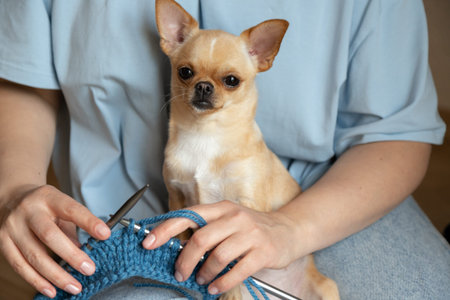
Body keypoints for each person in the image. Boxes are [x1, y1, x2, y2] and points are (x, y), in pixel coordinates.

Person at [0, 0, 448, 299]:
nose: (204, 88)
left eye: (228, 79)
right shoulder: (177, 156)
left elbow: (398, 127)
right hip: (124, 214)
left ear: (261, 57)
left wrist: (289, 228)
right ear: (172, 46)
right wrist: (13, 186)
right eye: (188, 73)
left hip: (341, 190)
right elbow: (22, 81)